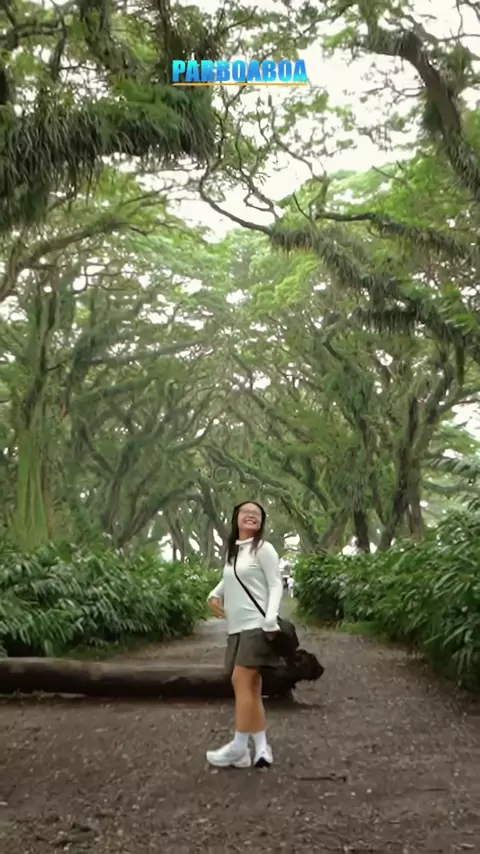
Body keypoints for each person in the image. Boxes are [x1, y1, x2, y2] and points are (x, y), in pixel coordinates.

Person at [206, 500, 283, 770]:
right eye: (245, 512)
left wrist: (271, 617)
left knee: (240, 680)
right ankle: (261, 747)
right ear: (236, 518)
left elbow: (276, 584)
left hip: (256, 626)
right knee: (252, 688)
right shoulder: (235, 552)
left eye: (256, 513)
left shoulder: (264, 549)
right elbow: (231, 578)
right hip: (236, 629)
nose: (251, 515)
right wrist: (214, 594)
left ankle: (238, 747)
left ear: (262, 522)